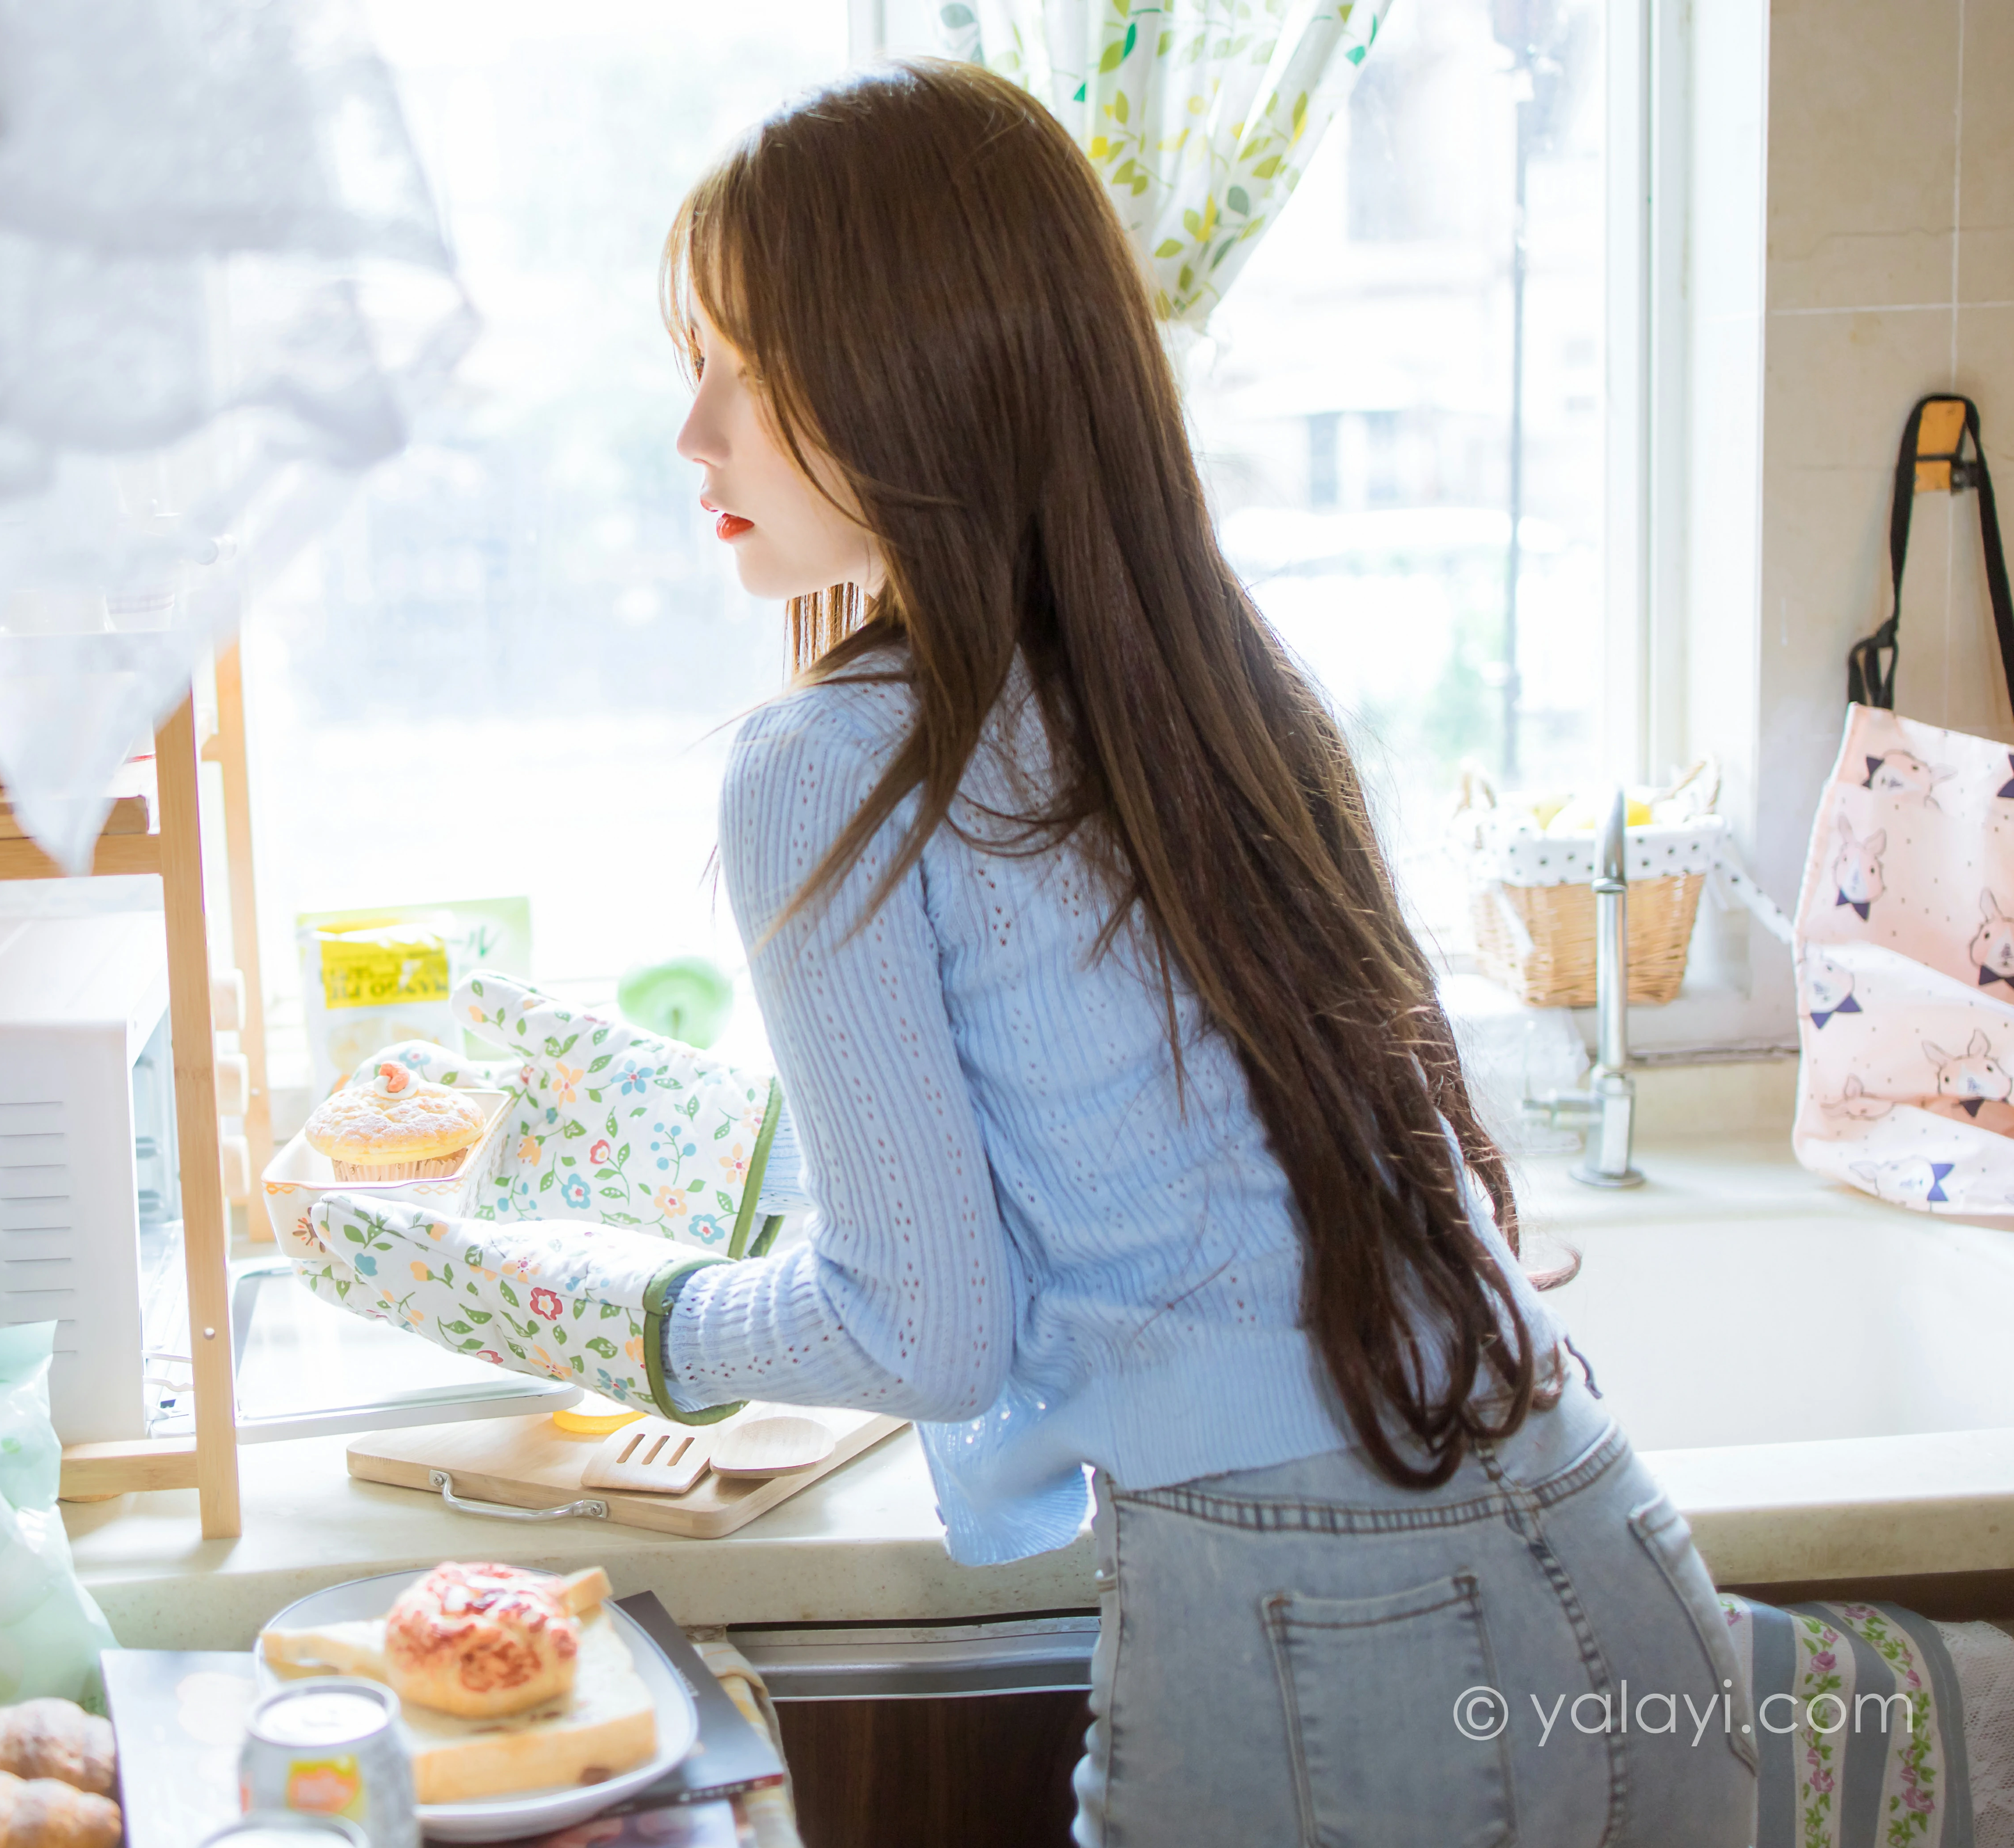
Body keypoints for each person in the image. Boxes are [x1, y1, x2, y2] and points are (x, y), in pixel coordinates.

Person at [656, 58, 1754, 1844]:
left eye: (749, 364)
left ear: (936, 368)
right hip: (1611, 1553)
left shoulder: (829, 763)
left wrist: (631, 1317)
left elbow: (922, 1324)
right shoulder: (1221, 683)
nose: (695, 430)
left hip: (1318, 1620)